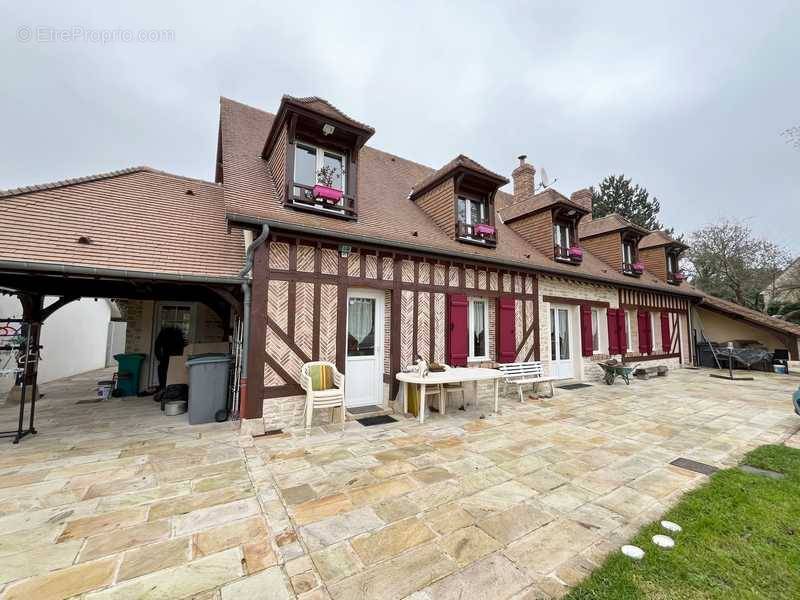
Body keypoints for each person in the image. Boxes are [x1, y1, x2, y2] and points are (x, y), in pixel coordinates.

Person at [153, 326, 185, 390]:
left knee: (163, 371)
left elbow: (157, 347)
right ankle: (167, 389)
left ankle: (164, 389)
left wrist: (160, 357)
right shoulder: (178, 336)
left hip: (168, 359)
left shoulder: (164, 335)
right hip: (176, 359)